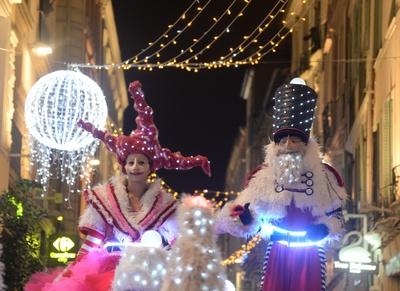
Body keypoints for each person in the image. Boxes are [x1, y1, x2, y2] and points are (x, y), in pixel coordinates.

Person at [25, 80, 211, 291]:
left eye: (141, 162)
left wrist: (192, 269)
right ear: (124, 166)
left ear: (150, 167)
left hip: (148, 274)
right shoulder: (105, 199)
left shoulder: (164, 205)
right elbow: (92, 242)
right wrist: (71, 271)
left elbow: (178, 242)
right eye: (130, 162)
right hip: (109, 271)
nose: (135, 167)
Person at [216, 78, 347, 291]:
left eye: (294, 140)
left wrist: (324, 228)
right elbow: (247, 216)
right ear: (275, 145)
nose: (288, 146)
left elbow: (338, 216)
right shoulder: (263, 177)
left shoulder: (326, 178)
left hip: (311, 255)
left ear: (305, 144)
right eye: (282, 141)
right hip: (277, 253)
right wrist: (247, 218)